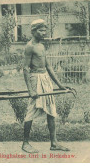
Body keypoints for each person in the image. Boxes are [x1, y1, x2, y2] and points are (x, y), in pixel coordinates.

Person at [22, 19, 70, 153]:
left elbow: (48, 66)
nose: (43, 33)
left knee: (51, 111)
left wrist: (60, 85)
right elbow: (25, 68)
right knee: (31, 110)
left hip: (45, 79)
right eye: (40, 30)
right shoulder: (30, 46)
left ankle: (54, 143)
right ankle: (25, 143)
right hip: (35, 80)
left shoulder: (42, 46)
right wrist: (31, 90)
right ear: (33, 31)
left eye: (44, 30)